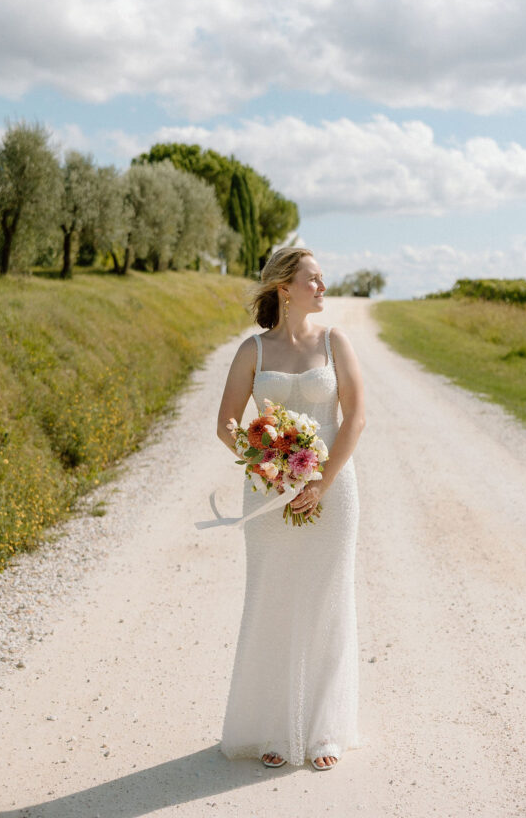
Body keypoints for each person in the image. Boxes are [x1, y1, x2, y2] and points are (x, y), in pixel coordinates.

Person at [216, 246, 365, 771]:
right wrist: (270, 468)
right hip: (268, 492)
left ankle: (324, 729)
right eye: (314, 280)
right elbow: (228, 423)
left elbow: (354, 420)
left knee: (327, 600)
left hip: (333, 488)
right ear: (285, 287)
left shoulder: (335, 342)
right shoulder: (252, 351)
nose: (323, 288)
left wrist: (320, 482)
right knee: (272, 600)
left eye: (323, 279)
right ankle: (273, 727)